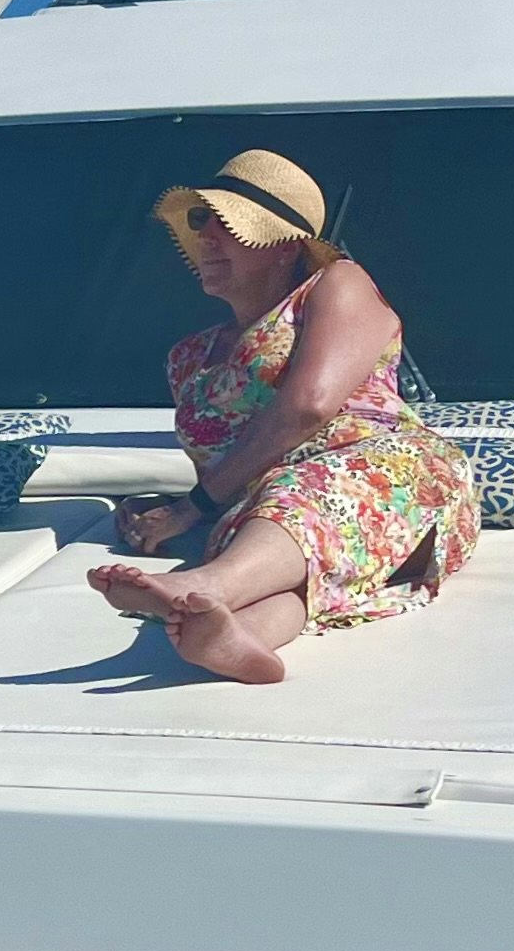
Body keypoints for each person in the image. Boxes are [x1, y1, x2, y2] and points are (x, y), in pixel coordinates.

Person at [90, 147, 477, 684]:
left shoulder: (336, 285)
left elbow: (310, 404)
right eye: (201, 220)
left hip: (389, 478)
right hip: (280, 515)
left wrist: (193, 506)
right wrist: (168, 507)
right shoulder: (188, 358)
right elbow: (225, 469)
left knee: (300, 501)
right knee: (288, 545)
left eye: (227, 224)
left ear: (284, 246)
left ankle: (204, 586)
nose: (207, 237)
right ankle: (241, 635)